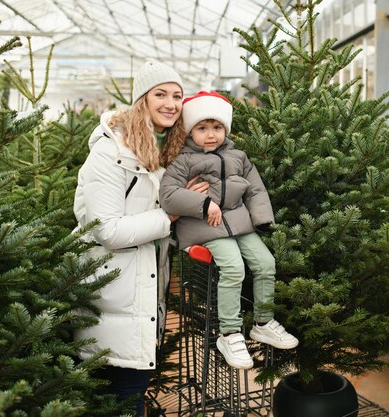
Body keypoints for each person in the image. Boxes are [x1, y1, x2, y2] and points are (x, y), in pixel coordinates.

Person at [72, 60, 202, 416]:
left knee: (128, 395)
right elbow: (106, 230)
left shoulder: (164, 153)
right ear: (141, 100)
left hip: (142, 290)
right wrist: (170, 214)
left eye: (177, 95)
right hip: (113, 291)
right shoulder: (111, 154)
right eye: (160, 94)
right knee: (123, 396)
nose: (171, 103)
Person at [159, 91, 299, 370]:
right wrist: (203, 203)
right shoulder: (183, 160)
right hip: (204, 226)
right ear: (190, 130)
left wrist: (261, 219)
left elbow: (256, 188)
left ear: (226, 128)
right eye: (202, 128)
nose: (211, 134)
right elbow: (168, 195)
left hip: (238, 222)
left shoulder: (239, 156)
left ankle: (263, 321)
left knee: (265, 263)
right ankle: (230, 333)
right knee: (234, 268)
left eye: (217, 127)